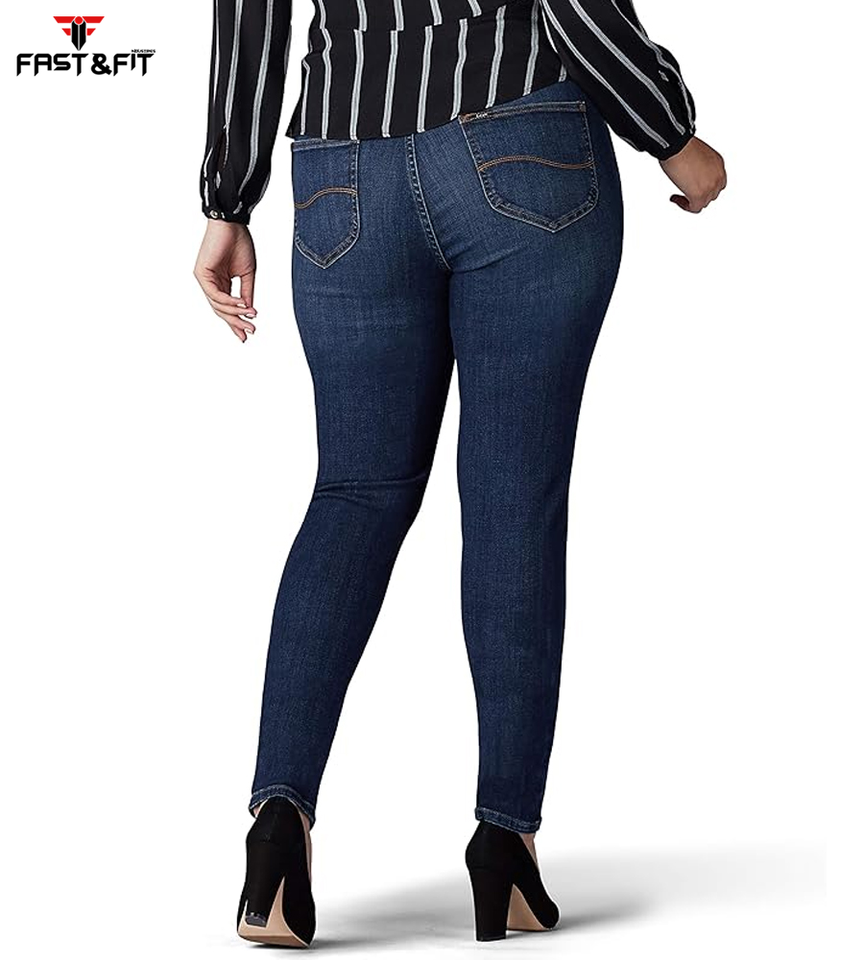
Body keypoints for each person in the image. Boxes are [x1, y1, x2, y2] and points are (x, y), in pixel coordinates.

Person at [194, 0, 725, 946]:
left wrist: (227, 200)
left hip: (342, 168)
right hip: (518, 132)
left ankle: (276, 828)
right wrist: (669, 131)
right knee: (514, 498)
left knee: (353, 494)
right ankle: (505, 847)